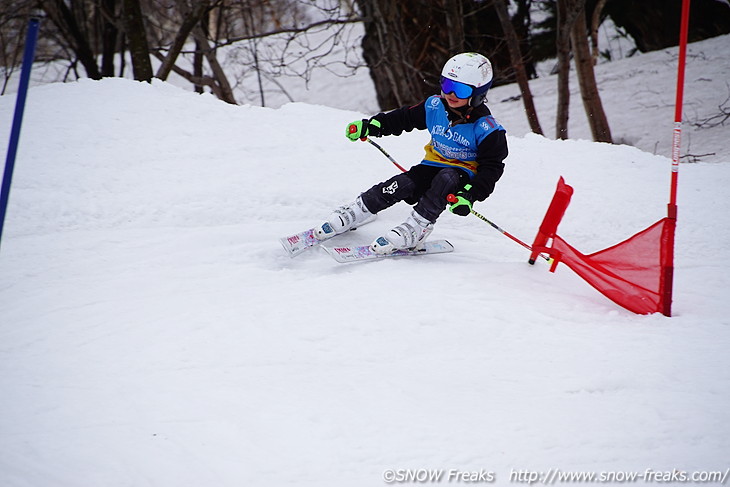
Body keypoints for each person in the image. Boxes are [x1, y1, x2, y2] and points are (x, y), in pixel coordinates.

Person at [314, 52, 508, 254]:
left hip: (463, 174)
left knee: (447, 178)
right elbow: (403, 118)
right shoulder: (434, 106)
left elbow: (492, 167)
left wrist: (470, 195)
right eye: (447, 85)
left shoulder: (487, 129)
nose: (451, 94)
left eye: (460, 89)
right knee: (402, 184)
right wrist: (372, 126)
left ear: (478, 93)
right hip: (432, 164)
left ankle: (418, 227)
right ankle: (361, 209)